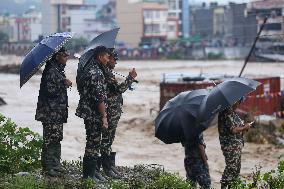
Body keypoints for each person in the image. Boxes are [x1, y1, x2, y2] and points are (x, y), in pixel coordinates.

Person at [100, 48, 137, 178]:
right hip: (110, 111)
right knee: (106, 139)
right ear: (108, 58)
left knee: (110, 138)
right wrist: (130, 78)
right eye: (115, 59)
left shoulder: (108, 72)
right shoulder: (105, 73)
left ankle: (109, 166)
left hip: (114, 111)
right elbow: (119, 89)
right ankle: (107, 168)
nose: (116, 62)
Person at [35, 47, 72, 177]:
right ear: (57, 56)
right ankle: (48, 168)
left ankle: (56, 165)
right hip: (50, 113)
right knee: (49, 140)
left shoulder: (58, 70)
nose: (67, 57)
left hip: (57, 113)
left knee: (57, 138)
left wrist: (63, 81)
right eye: (64, 55)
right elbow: (50, 91)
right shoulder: (51, 71)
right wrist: (64, 83)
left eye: (67, 55)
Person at [76, 46, 110, 183]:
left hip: (89, 111)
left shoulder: (92, 69)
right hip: (93, 113)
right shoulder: (95, 72)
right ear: (100, 57)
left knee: (94, 142)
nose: (108, 59)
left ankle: (92, 174)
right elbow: (99, 98)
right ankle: (88, 176)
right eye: (107, 56)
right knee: (93, 143)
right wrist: (104, 117)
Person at [218, 98, 252, 189]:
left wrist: (245, 126)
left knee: (236, 170)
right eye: (239, 102)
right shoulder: (227, 111)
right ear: (235, 100)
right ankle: (223, 186)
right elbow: (233, 130)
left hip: (236, 145)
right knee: (231, 167)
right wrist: (245, 127)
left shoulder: (233, 113)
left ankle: (232, 186)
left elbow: (238, 128)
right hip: (230, 146)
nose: (239, 104)